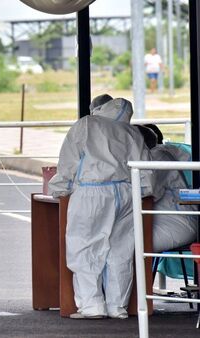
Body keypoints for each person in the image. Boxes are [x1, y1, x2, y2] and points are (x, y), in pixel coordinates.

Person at [49, 97, 153, 320]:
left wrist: (60, 188)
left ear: (96, 108)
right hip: (126, 193)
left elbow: (69, 161)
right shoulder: (132, 132)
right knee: (121, 251)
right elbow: (146, 170)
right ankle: (118, 307)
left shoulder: (87, 124)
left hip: (92, 191)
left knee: (85, 247)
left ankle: (92, 305)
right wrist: (143, 191)